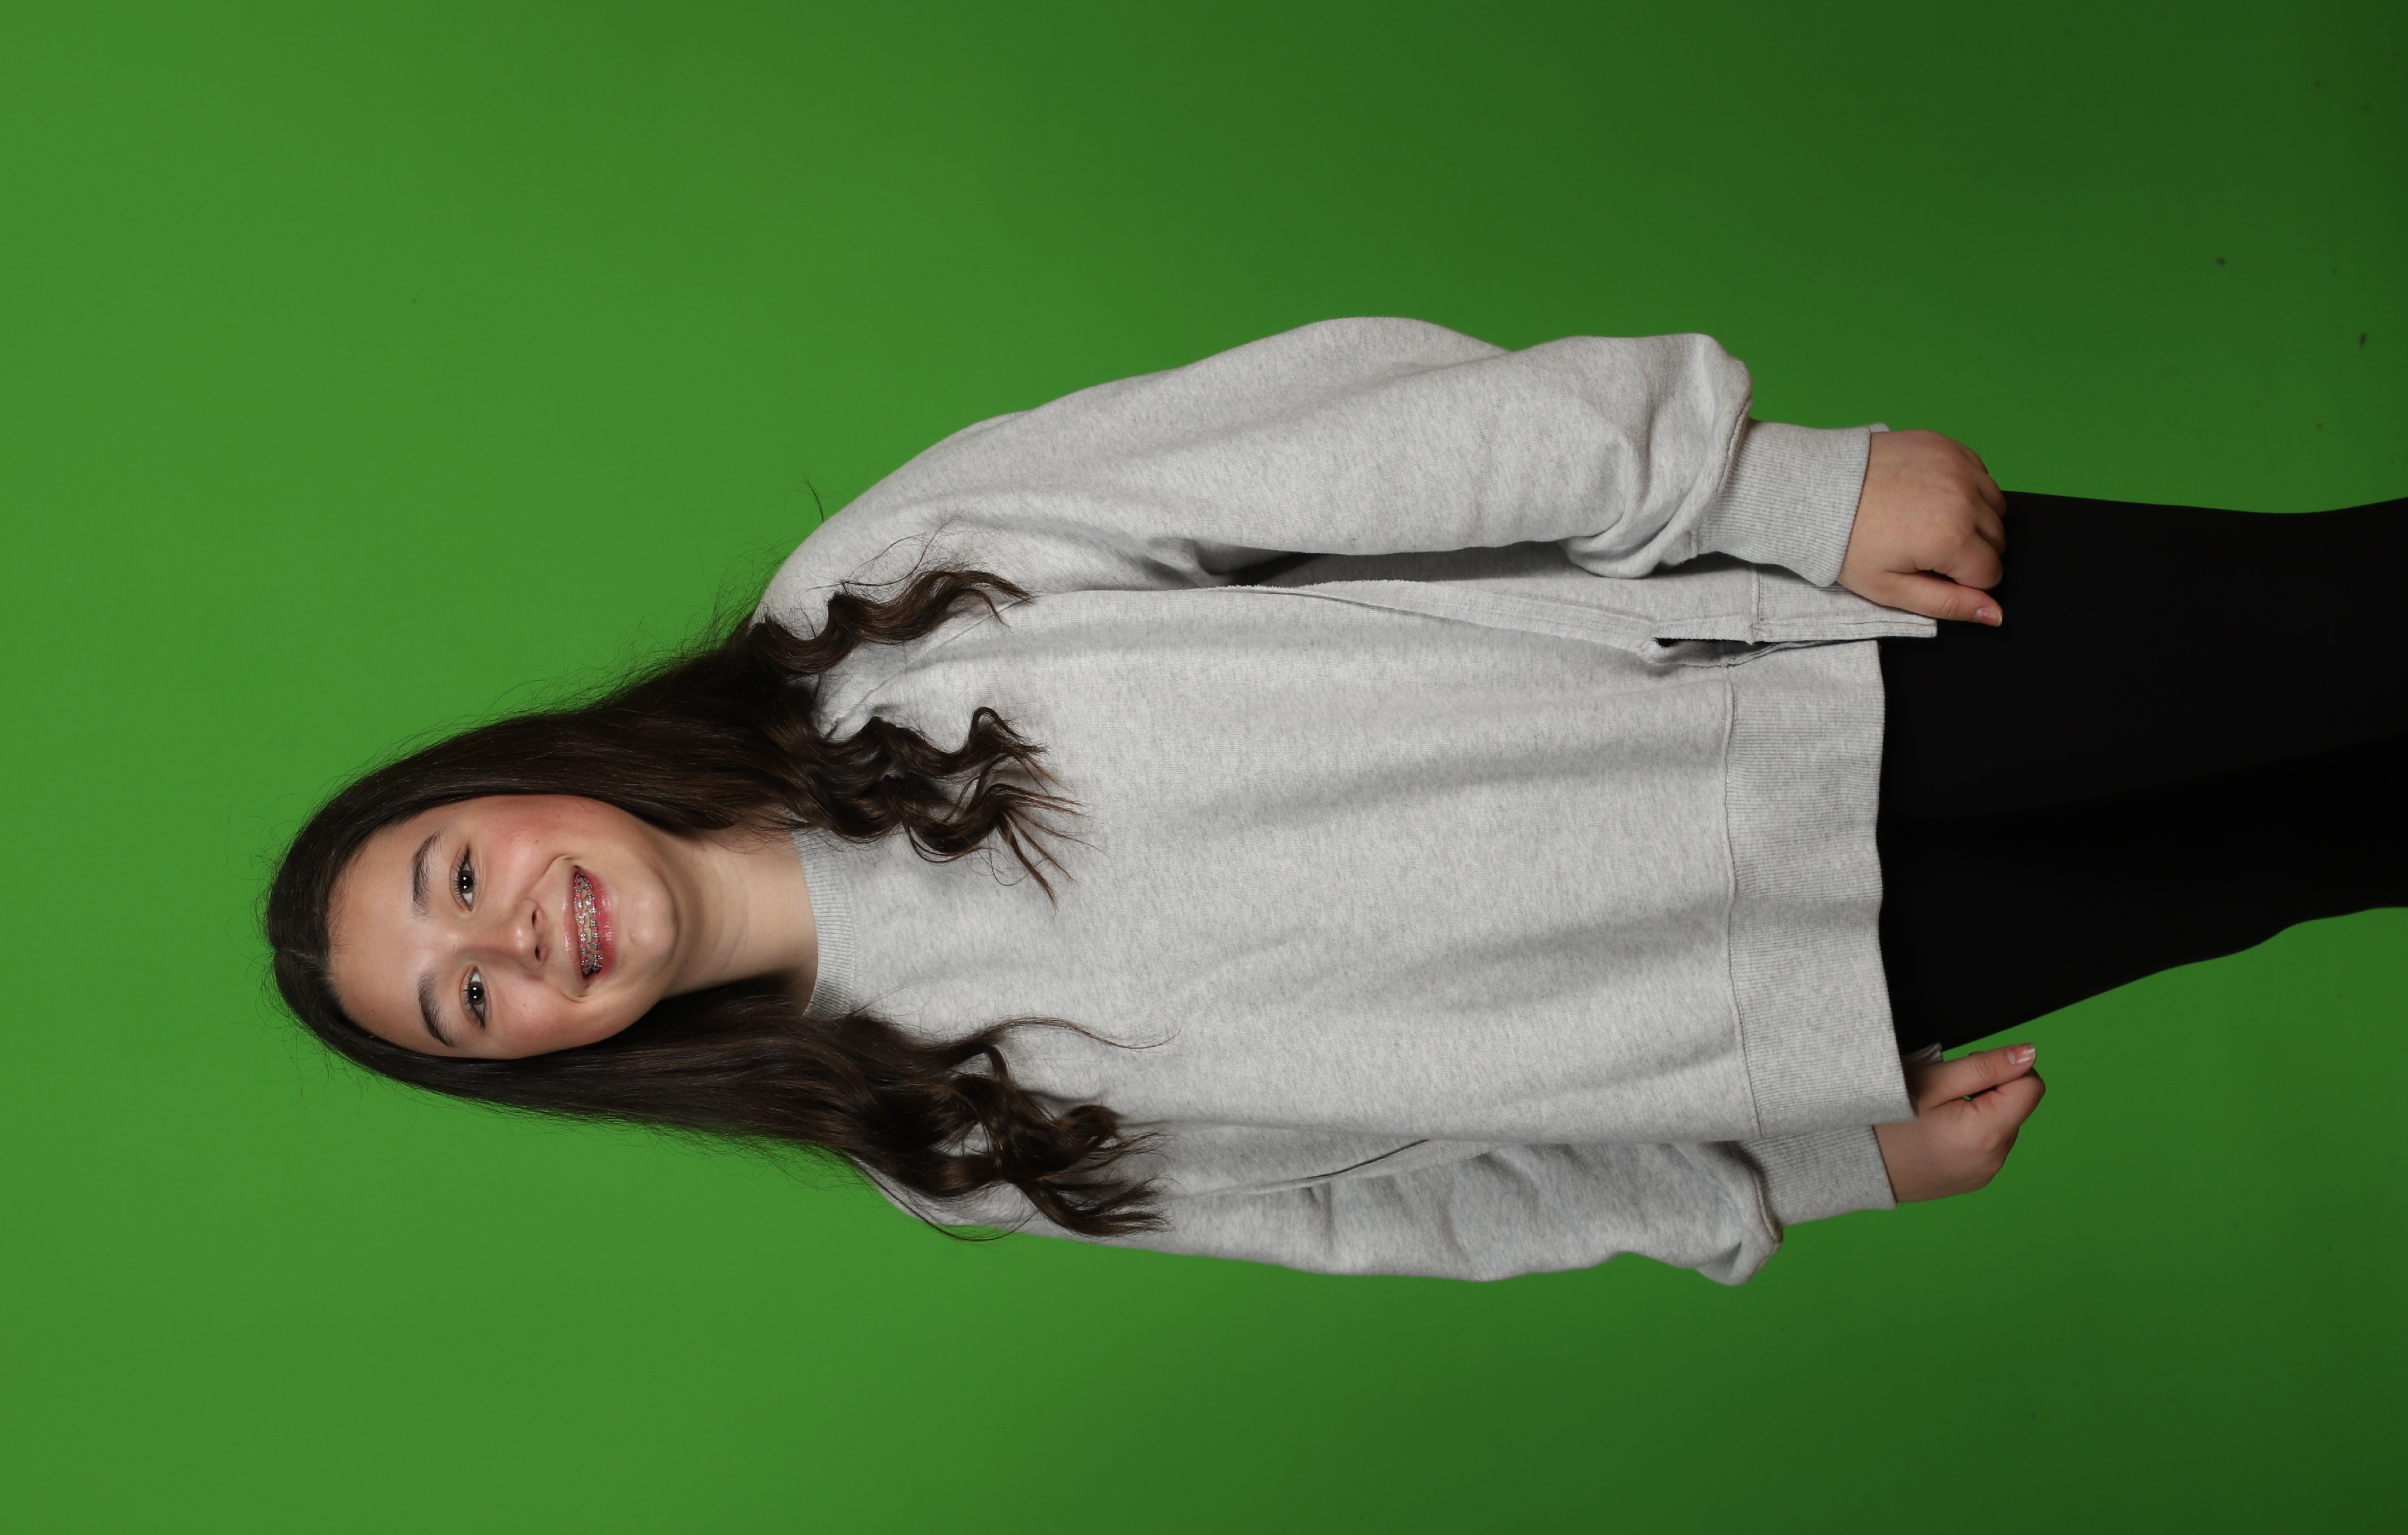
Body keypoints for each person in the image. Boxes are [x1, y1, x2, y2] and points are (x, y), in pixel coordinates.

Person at [266, 319, 2405, 1284]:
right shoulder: (944, 1147)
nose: (508, 938)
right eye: (467, 1000)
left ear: (514, 787)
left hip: (1805, 671)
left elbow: (1348, 444)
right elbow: (1401, 1211)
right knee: (2335, 842)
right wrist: (1803, 1171)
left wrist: (1771, 486)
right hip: (1810, 996)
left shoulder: (881, 607)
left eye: (455, 876)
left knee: (2357, 631)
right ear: (540, 1059)